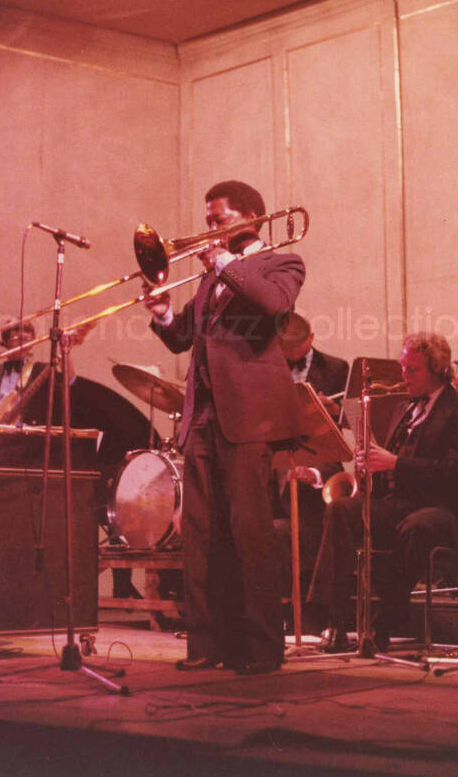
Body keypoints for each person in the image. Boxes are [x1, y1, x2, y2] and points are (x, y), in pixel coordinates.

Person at [145, 180, 307, 674]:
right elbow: (186, 338)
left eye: (218, 219)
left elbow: (272, 304)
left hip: (250, 417)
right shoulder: (211, 277)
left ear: (251, 218)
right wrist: (165, 314)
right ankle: (207, 646)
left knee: (250, 535)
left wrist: (221, 263)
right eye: (209, 220)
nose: (208, 229)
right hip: (204, 418)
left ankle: (260, 651)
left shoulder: (281, 263)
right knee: (201, 536)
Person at [306, 331, 458, 652]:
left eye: (412, 370)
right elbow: (390, 466)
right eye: (403, 368)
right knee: (341, 509)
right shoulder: (404, 408)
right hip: (399, 504)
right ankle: (332, 619)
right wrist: (369, 464)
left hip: (443, 509)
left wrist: (395, 463)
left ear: (437, 370)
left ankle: (384, 619)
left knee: (417, 526)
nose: (403, 376)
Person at [272, 313, 349, 596]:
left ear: (311, 339)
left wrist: (335, 411)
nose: (290, 355)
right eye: (284, 350)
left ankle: (313, 594)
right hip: (280, 450)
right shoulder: (268, 368)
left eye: (295, 349)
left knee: (307, 488)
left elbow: (348, 418)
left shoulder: (336, 368)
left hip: (321, 451)